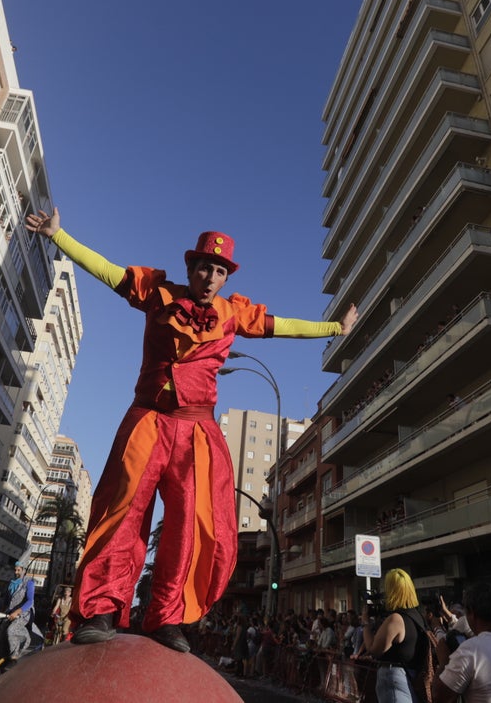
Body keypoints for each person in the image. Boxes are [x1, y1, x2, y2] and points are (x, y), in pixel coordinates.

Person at [24, 209, 357, 652]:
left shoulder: (232, 314)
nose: (210, 276)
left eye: (219, 270)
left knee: (193, 526)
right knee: (121, 511)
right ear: (191, 268)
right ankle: (102, 610)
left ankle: (168, 617)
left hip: (196, 430)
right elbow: (106, 270)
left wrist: (336, 328)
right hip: (147, 420)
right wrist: (58, 236)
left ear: (225, 277)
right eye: (204, 266)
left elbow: (284, 327)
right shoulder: (157, 292)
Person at [361, 568, 432, 703]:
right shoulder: (417, 616)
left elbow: (374, 649)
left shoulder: (395, 619)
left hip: (394, 677)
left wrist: (365, 623)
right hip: (412, 676)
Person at [0, 562, 35, 673]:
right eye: (15, 570)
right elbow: (7, 602)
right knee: (1, 638)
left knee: (11, 630)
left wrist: (18, 611)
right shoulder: (11, 583)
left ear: (23, 570)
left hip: (23, 614)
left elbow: (30, 601)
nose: (16, 572)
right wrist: (2, 612)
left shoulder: (29, 582)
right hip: (9, 614)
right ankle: (3, 666)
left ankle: (13, 658)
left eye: (18, 570)